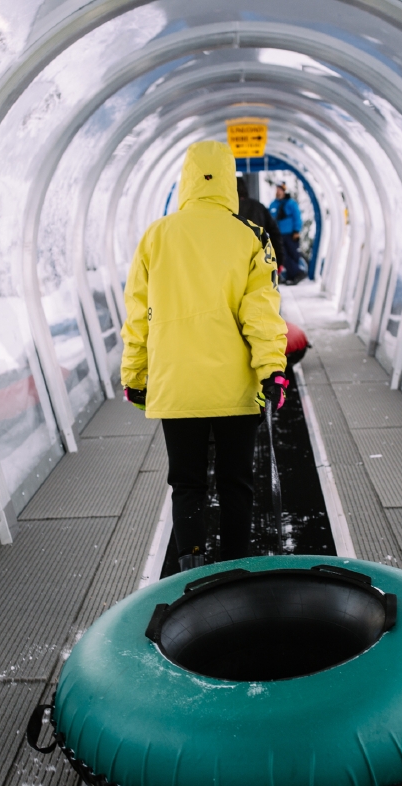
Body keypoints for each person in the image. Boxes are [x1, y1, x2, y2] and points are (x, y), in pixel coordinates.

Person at [120, 141, 288, 571]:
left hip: (176, 384)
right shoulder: (251, 236)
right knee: (236, 483)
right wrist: (272, 370)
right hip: (235, 387)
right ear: (229, 180)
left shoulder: (156, 236)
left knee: (187, 483)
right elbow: (262, 314)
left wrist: (135, 376)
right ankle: (234, 569)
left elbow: (138, 315)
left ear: (187, 178)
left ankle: (190, 567)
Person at [235, 175, 285, 269]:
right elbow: (274, 233)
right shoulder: (259, 207)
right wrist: (279, 260)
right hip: (258, 259)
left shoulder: (226, 210)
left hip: (234, 261)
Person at [269, 181, 305, 285]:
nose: (278, 192)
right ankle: (294, 274)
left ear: (284, 191)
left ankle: (295, 274)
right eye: (277, 190)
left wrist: (296, 231)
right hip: (278, 234)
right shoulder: (273, 204)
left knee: (293, 254)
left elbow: (297, 217)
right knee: (283, 255)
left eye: (280, 190)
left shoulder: (291, 203)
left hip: (290, 234)